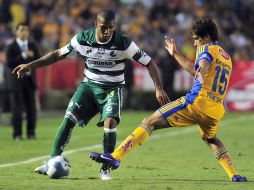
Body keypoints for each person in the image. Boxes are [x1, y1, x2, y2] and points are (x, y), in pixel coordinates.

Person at [12, 10, 169, 180]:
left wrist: (158, 87)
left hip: (112, 88)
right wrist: (30, 66)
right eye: (103, 28)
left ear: (114, 27)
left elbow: (149, 63)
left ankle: (106, 168)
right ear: (96, 24)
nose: (107, 31)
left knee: (110, 122)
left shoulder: (123, 43)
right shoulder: (82, 39)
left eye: (110, 28)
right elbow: (58, 54)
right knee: (68, 119)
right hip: (88, 87)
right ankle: (51, 162)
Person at [89, 17, 247, 182]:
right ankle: (234, 174)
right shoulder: (227, 57)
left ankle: (116, 157)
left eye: (196, 39)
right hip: (216, 109)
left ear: (206, 37)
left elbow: (200, 67)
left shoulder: (206, 49)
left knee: (149, 122)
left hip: (197, 102)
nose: (195, 44)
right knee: (211, 138)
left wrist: (179, 56)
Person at [6, 23, 40, 140]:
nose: (24, 32)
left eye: (26, 30)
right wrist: (23, 55)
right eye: (21, 30)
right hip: (16, 82)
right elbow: (9, 63)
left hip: (30, 80)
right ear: (17, 32)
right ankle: (17, 134)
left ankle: (31, 133)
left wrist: (31, 57)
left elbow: (39, 61)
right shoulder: (11, 46)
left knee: (31, 108)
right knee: (17, 109)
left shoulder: (33, 45)